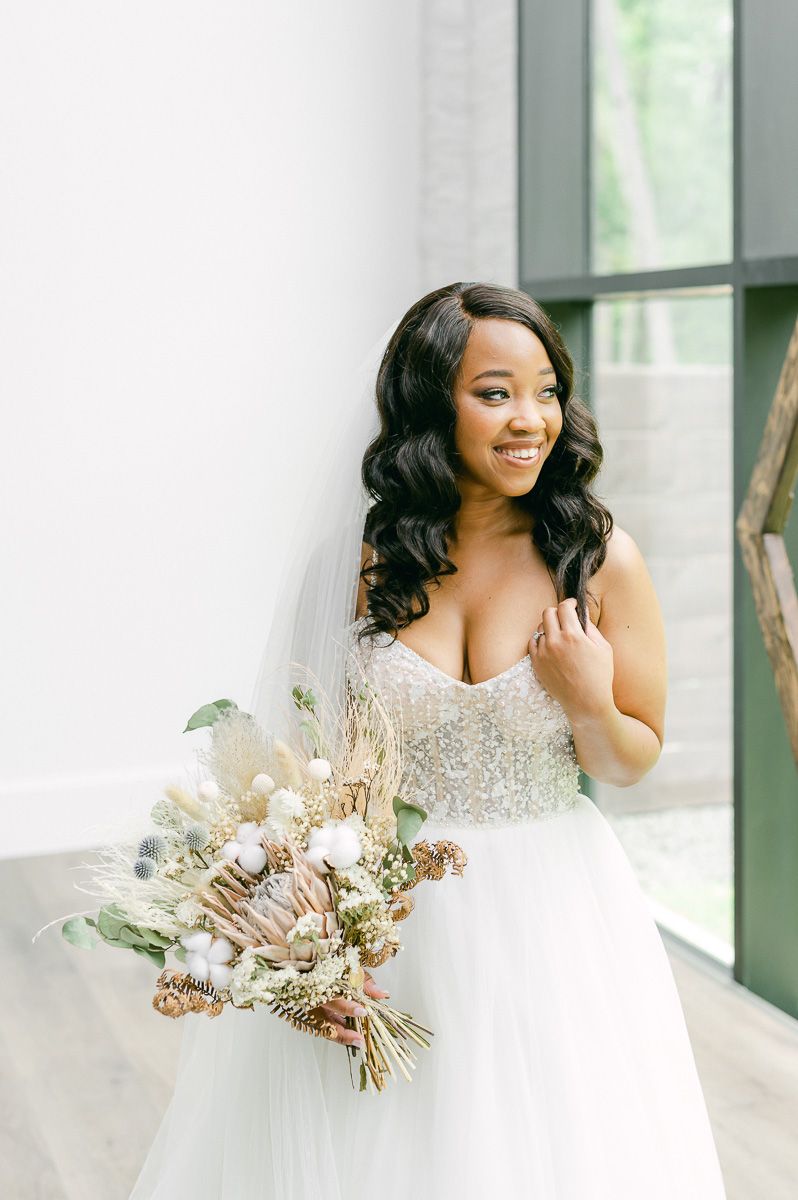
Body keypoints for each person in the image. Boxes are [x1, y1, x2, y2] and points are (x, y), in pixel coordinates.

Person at [130, 282, 728, 1198]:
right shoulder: (361, 562)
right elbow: (302, 771)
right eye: (494, 392)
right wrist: (308, 951)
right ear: (427, 404)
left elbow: (630, 760)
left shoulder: (600, 559)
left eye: (547, 390)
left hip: (551, 911)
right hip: (393, 914)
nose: (531, 419)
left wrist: (588, 701)